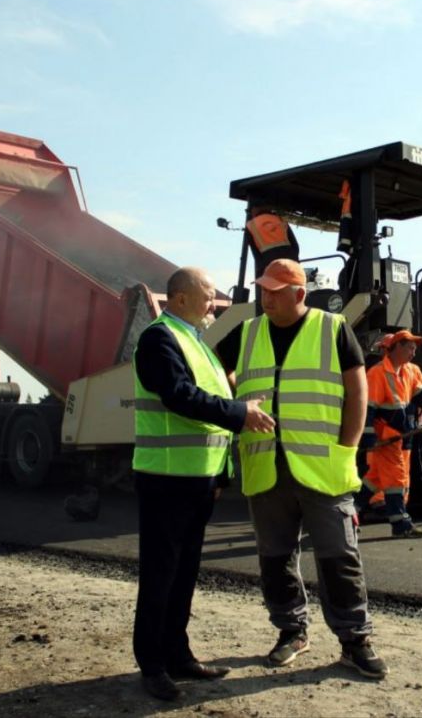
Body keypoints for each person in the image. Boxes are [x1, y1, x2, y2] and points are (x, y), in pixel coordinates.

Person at [214, 258, 388, 680]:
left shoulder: (332, 328)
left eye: (275, 291)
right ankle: (291, 631)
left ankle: (354, 640)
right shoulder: (247, 331)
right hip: (265, 466)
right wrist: (238, 405)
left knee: (339, 557)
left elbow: (357, 391)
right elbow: (216, 372)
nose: (266, 297)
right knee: (275, 558)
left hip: (322, 467)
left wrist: (348, 446)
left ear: (299, 294)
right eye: (263, 289)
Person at [132, 266, 275, 702]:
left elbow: (212, 410)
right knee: (161, 574)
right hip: (166, 479)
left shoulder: (196, 341)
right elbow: (179, 396)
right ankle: (152, 665)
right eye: (208, 294)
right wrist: (241, 414)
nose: (214, 302)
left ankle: (178, 655)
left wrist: (219, 475)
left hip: (197, 479)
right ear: (180, 299)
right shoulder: (159, 339)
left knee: (184, 573)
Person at [357, 330, 422, 538]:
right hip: (387, 437)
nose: (413, 353)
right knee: (396, 480)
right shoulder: (377, 373)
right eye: (410, 348)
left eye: (414, 349)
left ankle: (349, 512)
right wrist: (369, 437)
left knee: (375, 480)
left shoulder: (408, 371)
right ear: (397, 347)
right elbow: (368, 409)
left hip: (400, 436)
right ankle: (401, 526)